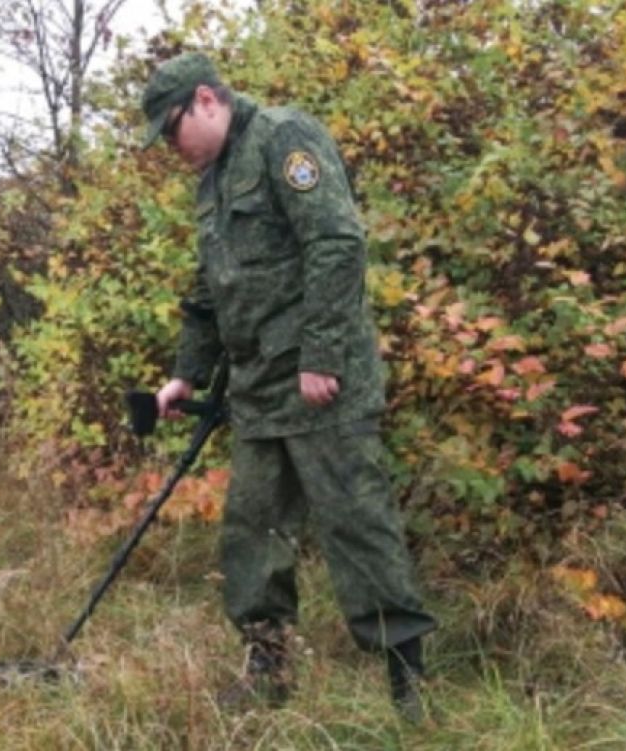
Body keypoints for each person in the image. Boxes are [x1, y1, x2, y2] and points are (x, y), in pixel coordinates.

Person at [141, 51, 437, 720]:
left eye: (171, 127)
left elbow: (337, 243)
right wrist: (185, 373)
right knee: (252, 532)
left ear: (207, 101)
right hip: (259, 393)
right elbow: (209, 291)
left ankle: (408, 686)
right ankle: (268, 668)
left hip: (322, 386)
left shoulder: (283, 139)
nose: (170, 144)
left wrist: (322, 353)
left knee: (357, 524)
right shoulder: (212, 182)